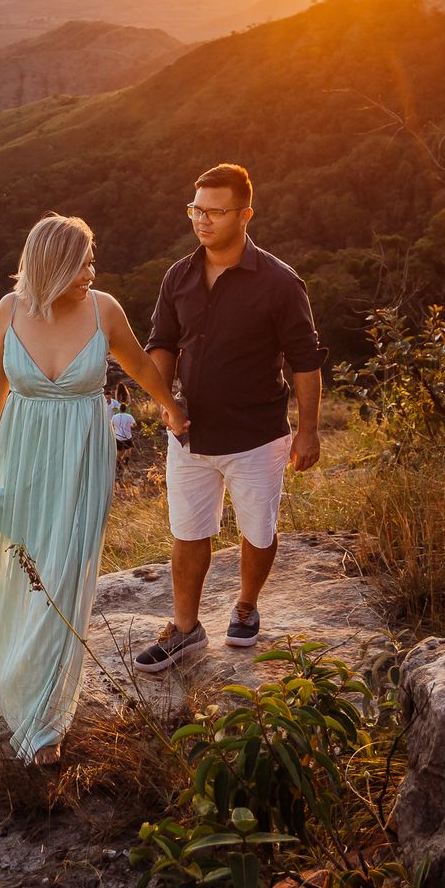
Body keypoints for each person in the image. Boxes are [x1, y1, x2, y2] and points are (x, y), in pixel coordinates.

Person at [0, 214, 189, 765]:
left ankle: (44, 719)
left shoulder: (103, 309)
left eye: (92, 260)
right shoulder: (8, 310)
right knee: (21, 572)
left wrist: (174, 411)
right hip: (18, 461)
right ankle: (19, 681)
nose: (93, 270)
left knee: (64, 578)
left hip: (82, 465)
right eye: (83, 262)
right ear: (54, 265)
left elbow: (139, 367)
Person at [133, 163, 324, 672]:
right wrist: (165, 403)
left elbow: (305, 359)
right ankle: (186, 629)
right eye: (196, 209)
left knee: (258, 530)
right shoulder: (179, 274)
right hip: (191, 433)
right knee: (188, 531)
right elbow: (163, 342)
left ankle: (246, 605)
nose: (202, 220)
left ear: (245, 215)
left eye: (215, 211)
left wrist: (308, 430)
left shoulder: (280, 283)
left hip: (257, 436)